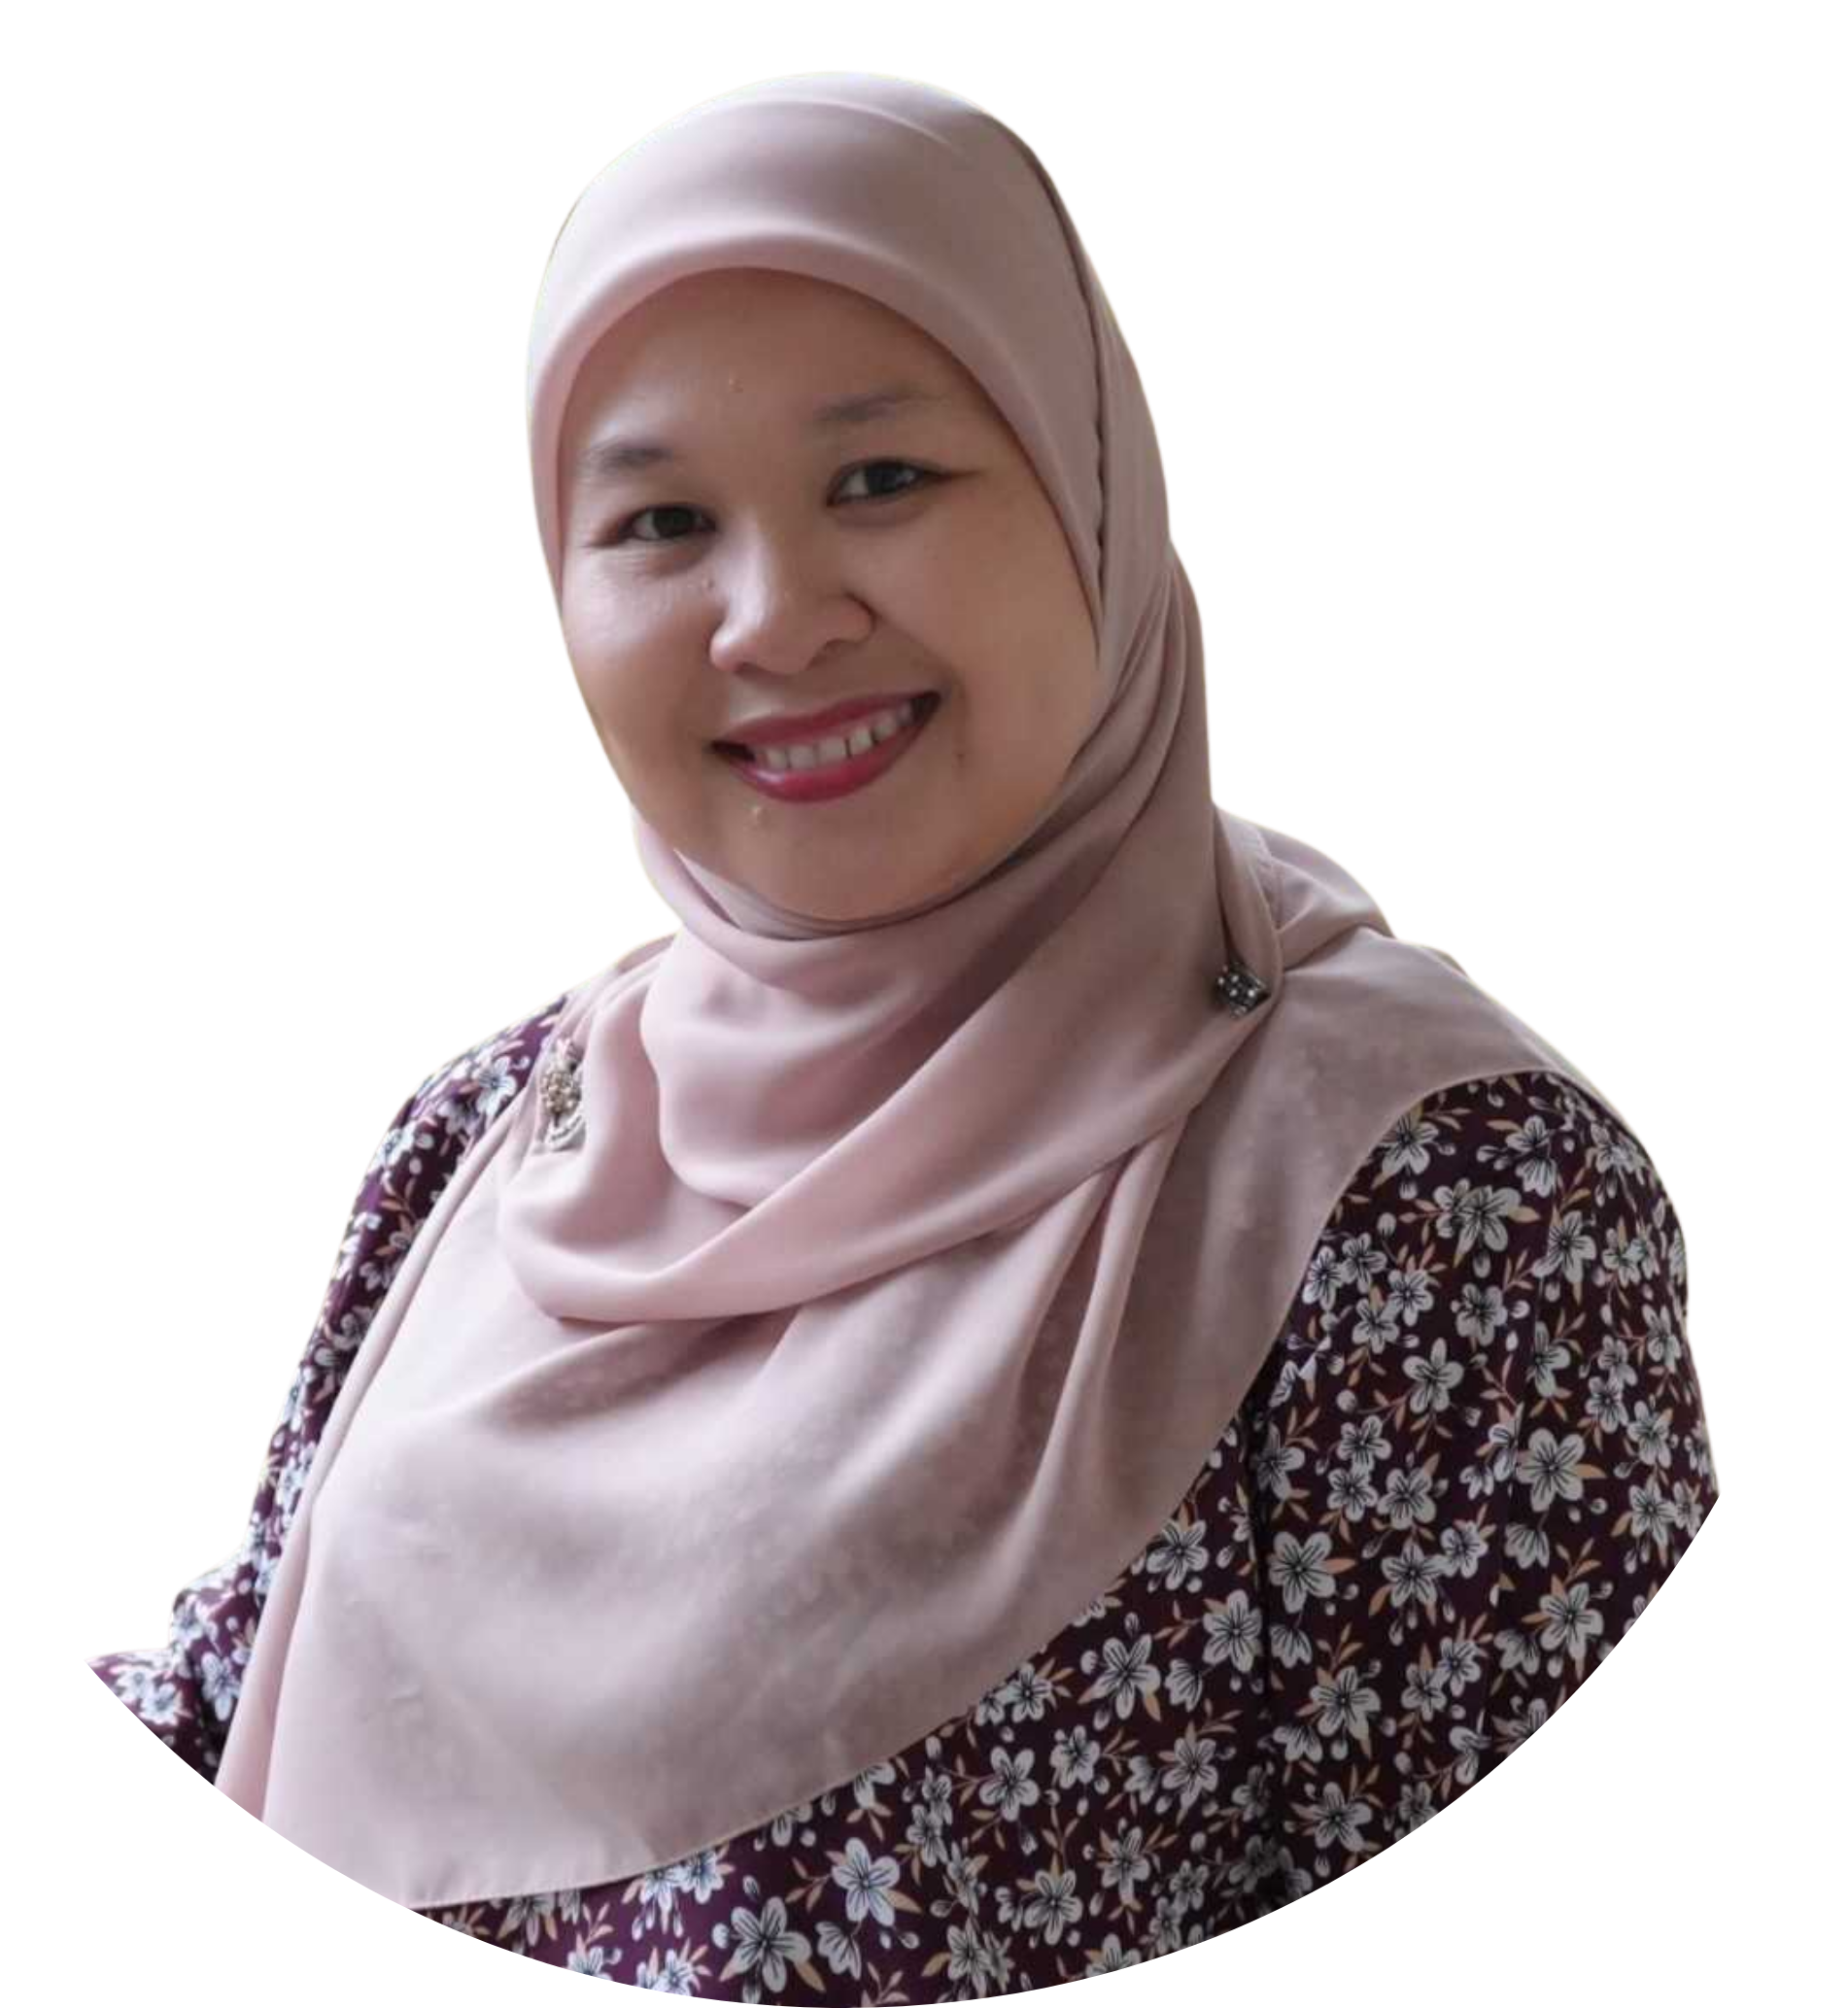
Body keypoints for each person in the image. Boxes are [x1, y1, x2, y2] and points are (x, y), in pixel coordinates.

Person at [86, 73, 1717, 1988]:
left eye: (881, 479)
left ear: (1089, 486)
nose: (773, 621)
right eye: (661, 519)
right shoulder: (497, 1124)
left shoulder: (1431, 1187)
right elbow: (235, 1691)